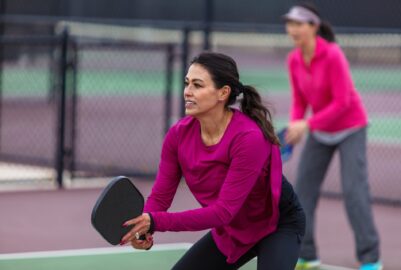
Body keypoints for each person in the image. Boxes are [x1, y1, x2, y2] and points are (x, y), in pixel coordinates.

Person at [120, 52, 305, 270]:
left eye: (198, 85)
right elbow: (160, 196)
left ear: (223, 93)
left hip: (277, 224)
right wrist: (146, 228)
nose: (187, 92)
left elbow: (223, 212)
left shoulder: (248, 138)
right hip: (232, 229)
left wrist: (157, 221)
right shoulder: (177, 136)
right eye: (187, 83)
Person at [283, 2, 382, 270]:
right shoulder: (293, 59)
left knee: (354, 192)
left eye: (298, 24)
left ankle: (371, 258)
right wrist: (295, 124)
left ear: (313, 27)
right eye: (289, 23)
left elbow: (342, 103)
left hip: (351, 127)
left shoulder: (333, 55)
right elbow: (299, 99)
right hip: (320, 130)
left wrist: (307, 124)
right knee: (302, 192)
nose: (292, 29)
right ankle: (307, 254)